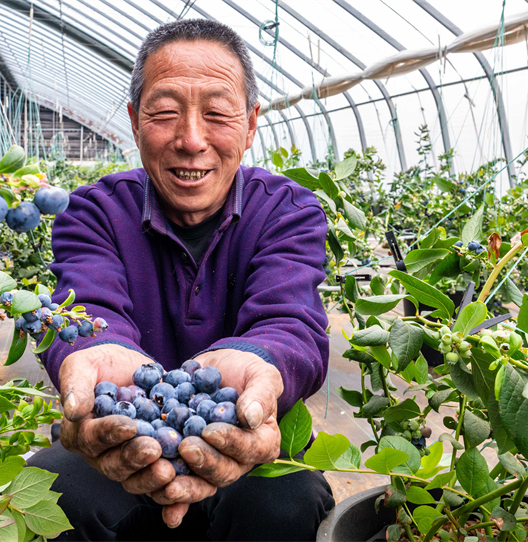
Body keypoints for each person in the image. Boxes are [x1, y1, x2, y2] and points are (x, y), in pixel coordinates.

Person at [29, 18, 334, 541]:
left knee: (285, 502)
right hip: (128, 434)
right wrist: (91, 354)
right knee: (48, 495)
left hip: (242, 433)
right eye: (165, 112)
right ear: (134, 121)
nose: (191, 140)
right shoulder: (94, 212)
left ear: (251, 124)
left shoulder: (287, 211)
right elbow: (86, 310)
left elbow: (290, 321)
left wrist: (259, 364)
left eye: (217, 114)